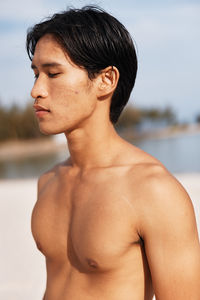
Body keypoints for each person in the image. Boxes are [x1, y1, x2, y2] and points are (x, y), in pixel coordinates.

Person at [26, 6, 200, 300]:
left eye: (53, 73)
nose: (36, 90)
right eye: (36, 74)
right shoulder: (49, 182)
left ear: (106, 80)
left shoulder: (154, 191)